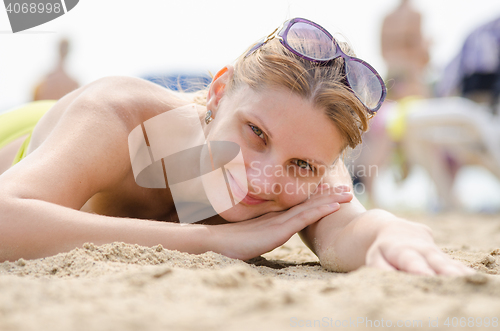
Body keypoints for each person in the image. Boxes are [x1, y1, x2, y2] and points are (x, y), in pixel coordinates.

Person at [0, 18, 472, 276]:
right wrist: (211, 242)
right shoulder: (121, 116)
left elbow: (348, 233)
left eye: (302, 165)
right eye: (255, 133)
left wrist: (391, 234)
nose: (263, 175)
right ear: (219, 92)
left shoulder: (305, 155)